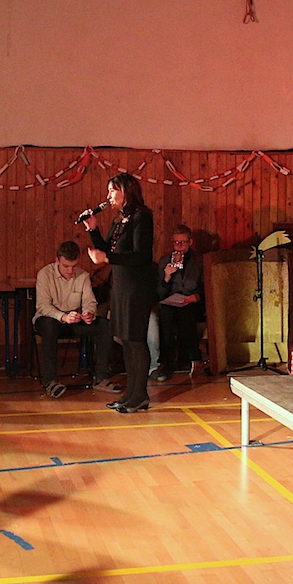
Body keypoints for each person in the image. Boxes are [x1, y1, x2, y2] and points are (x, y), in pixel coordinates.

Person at [84, 172, 156, 413]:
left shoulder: (142, 216)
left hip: (137, 287)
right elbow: (107, 250)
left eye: (112, 190)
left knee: (136, 339)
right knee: (125, 339)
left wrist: (107, 258)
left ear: (126, 191)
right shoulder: (119, 220)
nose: (108, 196)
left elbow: (140, 255)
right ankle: (130, 393)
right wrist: (93, 229)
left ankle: (141, 394)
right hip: (121, 287)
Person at [32, 240, 112, 399]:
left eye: (74, 266)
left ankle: (101, 378)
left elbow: (90, 302)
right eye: (66, 266)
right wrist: (62, 317)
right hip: (49, 319)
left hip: (74, 319)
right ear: (57, 261)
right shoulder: (44, 274)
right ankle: (50, 381)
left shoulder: (83, 275)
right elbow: (43, 306)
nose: (70, 270)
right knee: (49, 326)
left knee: (104, 325)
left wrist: (89, 313)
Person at [152, 223, 208, 383]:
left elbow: (206, 286)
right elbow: (159, 294)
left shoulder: (200, 260)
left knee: (186, 313)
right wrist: (167, 278)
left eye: (183, 242)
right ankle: (165, 361)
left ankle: (193, 358)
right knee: (165, 315)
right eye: (176, 243)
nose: (179, 246)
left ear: (190, 242)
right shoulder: (165, 261)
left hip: (192, 301)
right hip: (171, 301)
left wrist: (197, 297)